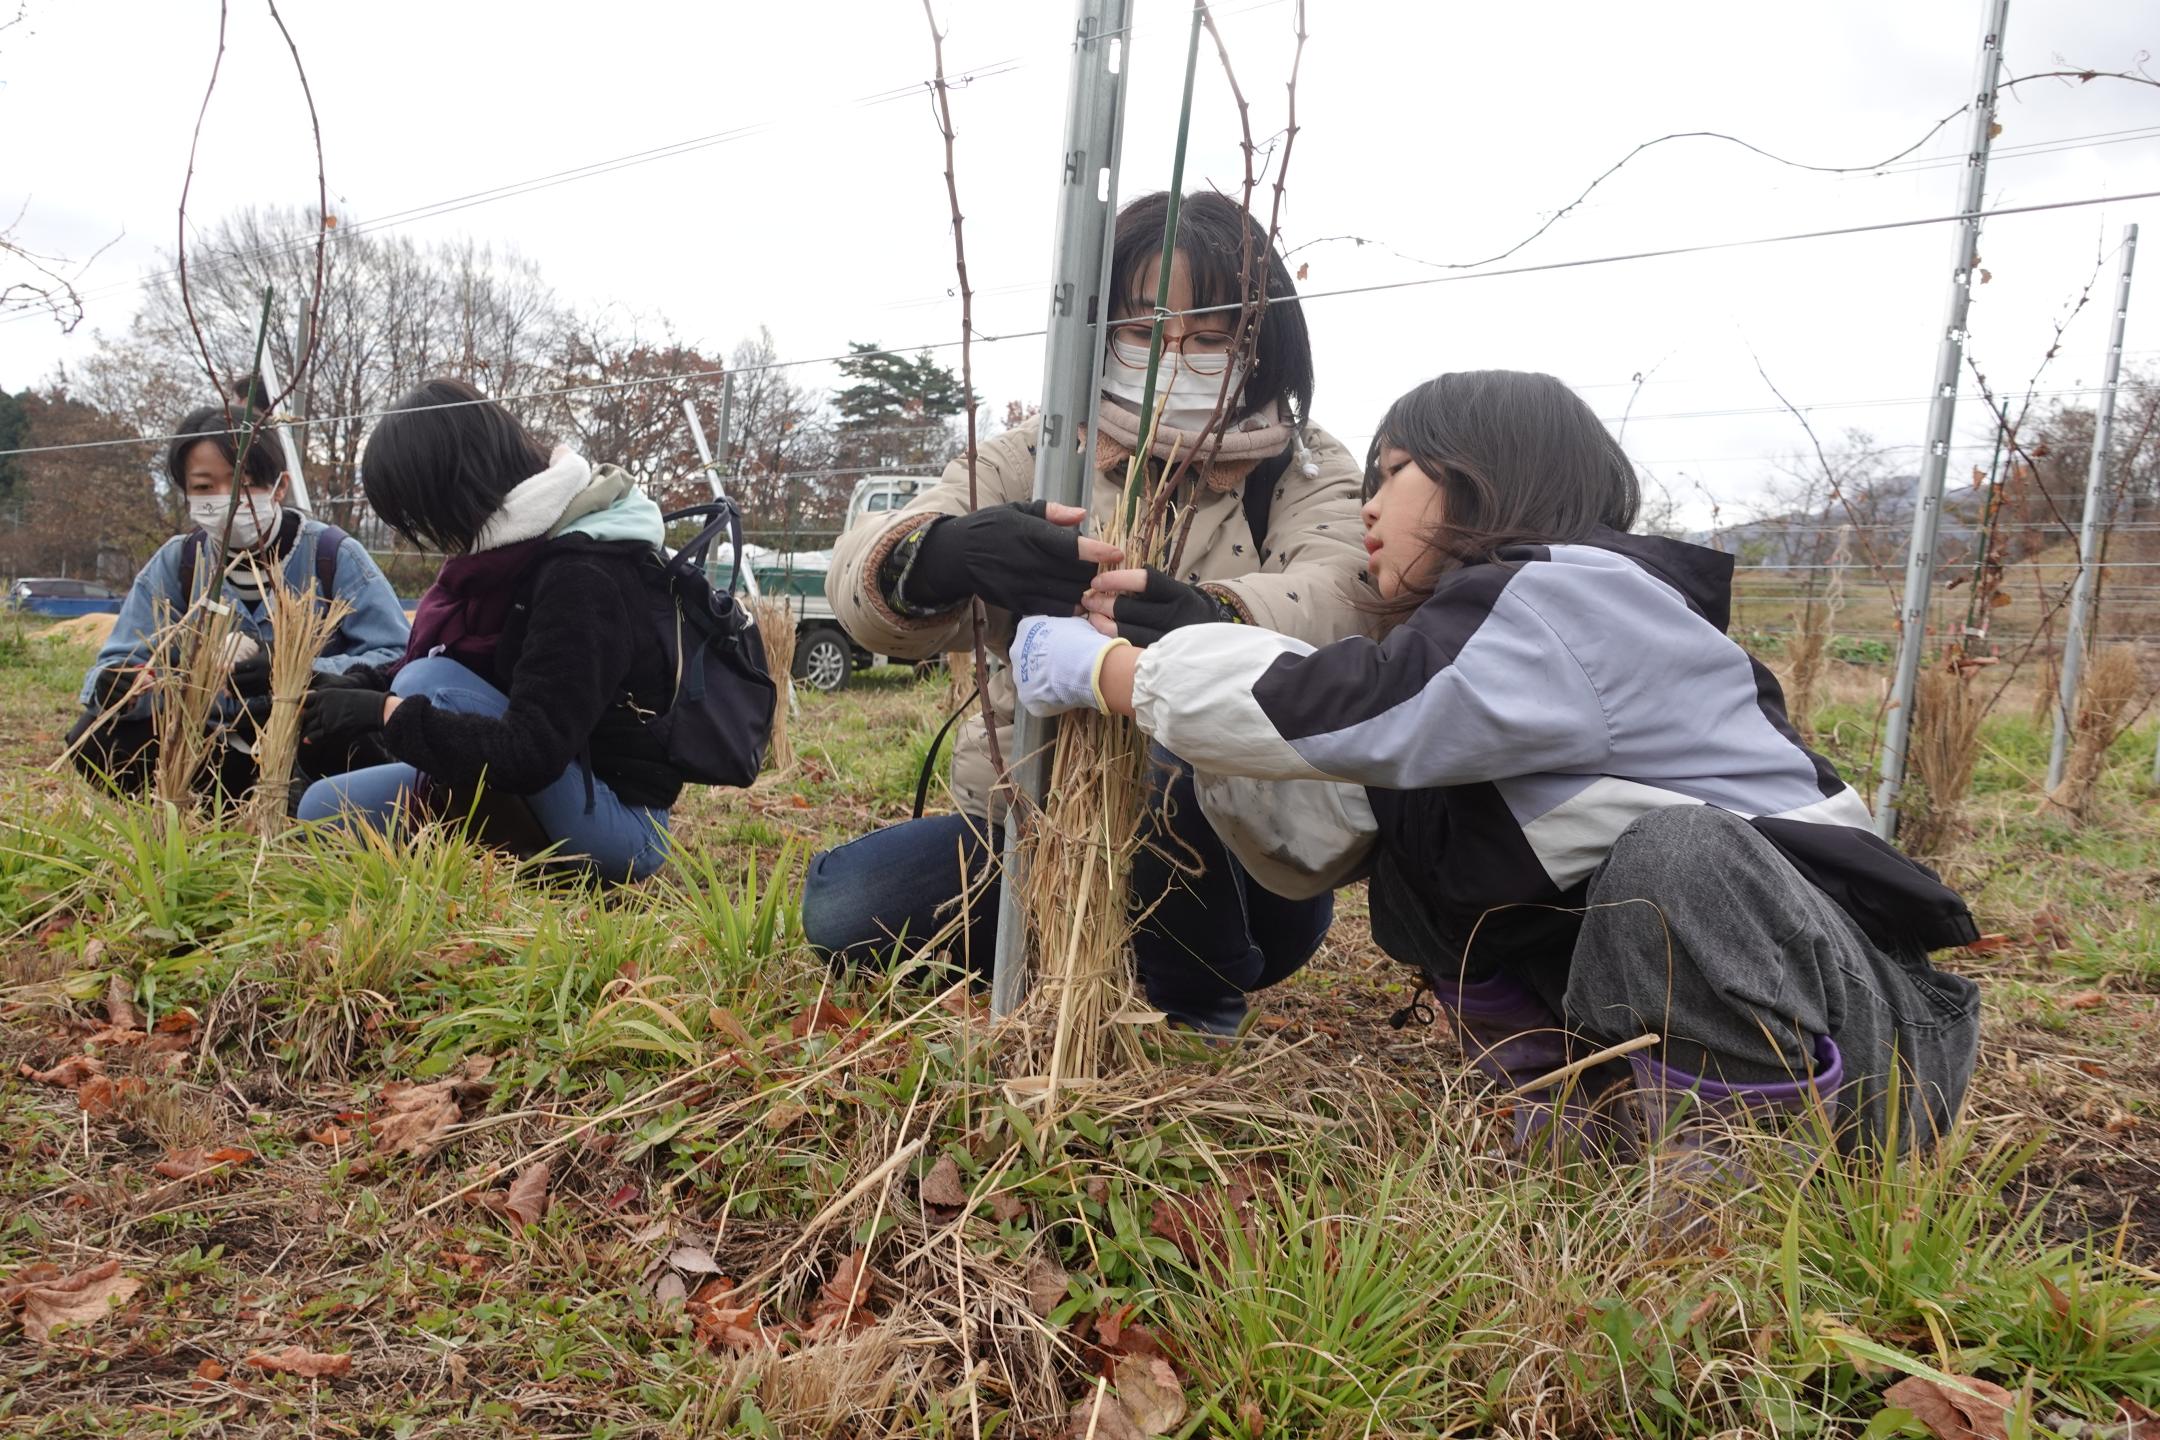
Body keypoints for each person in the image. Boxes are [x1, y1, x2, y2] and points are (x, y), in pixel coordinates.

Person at [1012, 369, 1982, 1154]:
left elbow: (1363, 711)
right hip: (1790, 1007)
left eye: (1390, 474)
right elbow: (1348, 786)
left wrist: (1120, 672)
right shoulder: (1513, 640)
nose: (1368, 511)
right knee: (1415, 833)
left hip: (1873, 1047)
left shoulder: (1580, 595)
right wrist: (1196, 647)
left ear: (1480, 474)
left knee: (1678, 859)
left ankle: (1731, 1174)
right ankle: (1571, 1104)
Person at [806, 189, 1372, 1032]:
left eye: (1212, 337)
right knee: (846, 905)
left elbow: (1348, 596)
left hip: (1237, 846)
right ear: (1101, 329)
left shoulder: (1305, 468)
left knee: (1165, 768)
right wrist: (943, 555)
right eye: (1146, 330)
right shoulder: (1041, 450)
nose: (1177, 357)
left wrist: (1213, 617)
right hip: (1031, 821)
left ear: (1260, 348)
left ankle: (1195, 995)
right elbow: (864, 572)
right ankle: (1079, 945)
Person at [293, 379, 683, 883]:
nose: (427, 533)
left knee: (424, 684)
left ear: (456, 485)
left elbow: (530, 750)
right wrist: (355, 687)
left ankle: (523, 863)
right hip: (549, 787)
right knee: (322, 809)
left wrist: (385, 713)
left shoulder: (583, 574)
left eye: (421, 512)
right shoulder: (510, 551)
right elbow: (461, 664)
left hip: (622, 825)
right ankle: (491, 842)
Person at [65, 399, 409, 802]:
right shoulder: (179, 562)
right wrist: (116, 688)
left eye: (243, 483)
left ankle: (307, 808)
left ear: (279, 485)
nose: (226, 500)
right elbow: (117, 664)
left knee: (350, 742)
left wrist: (293, 668)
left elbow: (397, 655)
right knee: (94, 737)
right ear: (186, 493)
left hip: (302, 741)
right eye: (204, 487)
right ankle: (197, 806)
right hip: (208, 741)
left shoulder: (332, 555)